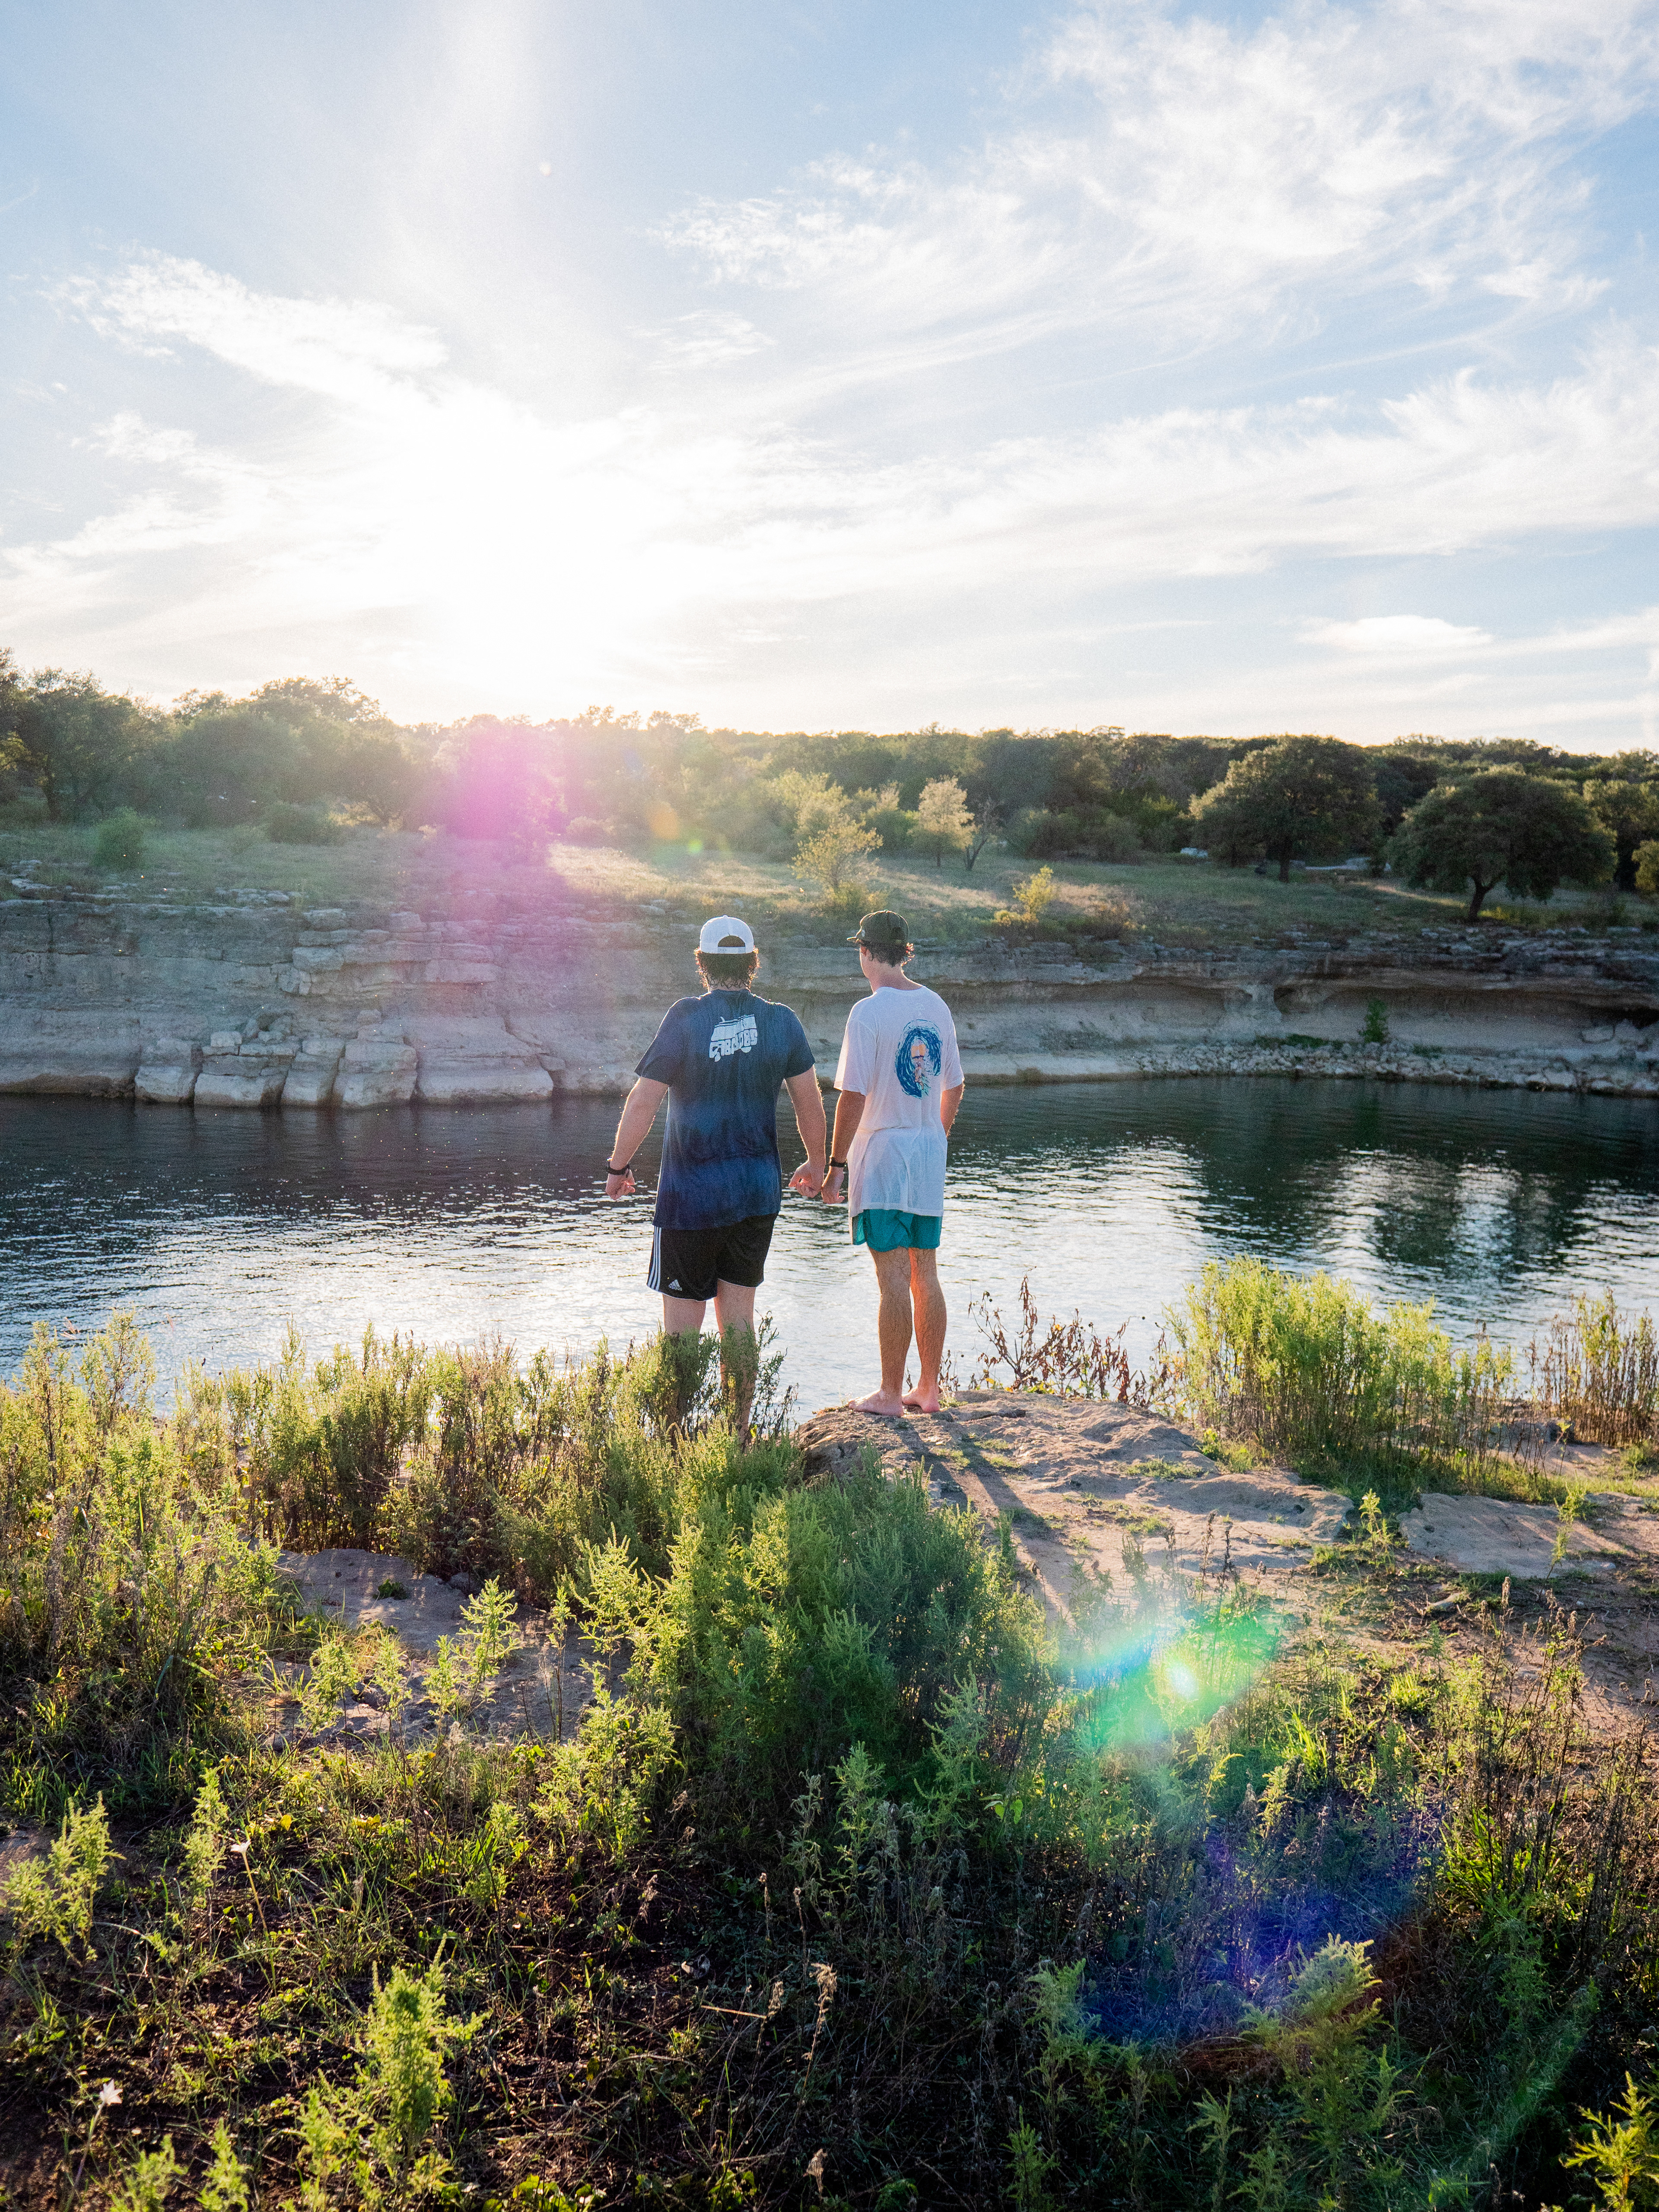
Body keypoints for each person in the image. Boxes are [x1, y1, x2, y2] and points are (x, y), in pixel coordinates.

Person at [603, 915, 826, 1379]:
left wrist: (618, 1166)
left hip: (690, 1197)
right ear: (753, 963)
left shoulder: (686, 1017)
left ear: (702, 963)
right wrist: (817, 1162)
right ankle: (739, 1423)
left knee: (682, 1336)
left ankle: (675, 1425)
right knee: (740, 1324)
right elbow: (809, 1099)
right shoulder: (781, 1020)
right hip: (756, 1193)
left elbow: (645, 1099)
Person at [822, 909, 964, 1417]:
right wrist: (934, 1136)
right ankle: (929, 1388)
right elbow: (955, 1085)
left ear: (865, 952)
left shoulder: (867, 1012)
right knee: (926, 1271)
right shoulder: (936, 1005)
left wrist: (835, 1165)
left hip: (882, 1156)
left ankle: (889, 1393)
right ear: (905, 952)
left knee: (892, 1277)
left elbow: (853, 1096)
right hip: (927, 1154)